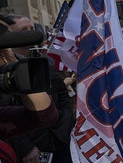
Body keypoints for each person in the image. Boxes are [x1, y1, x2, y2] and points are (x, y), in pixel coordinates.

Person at [4, 14, 75, 163]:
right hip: (31, 145)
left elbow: (60, 95)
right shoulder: (5, 69)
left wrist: (64, 122)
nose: (29, 33)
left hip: (59, 139)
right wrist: (25, 148)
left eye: (31, 29)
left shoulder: (44, 62)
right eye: (23, 30)